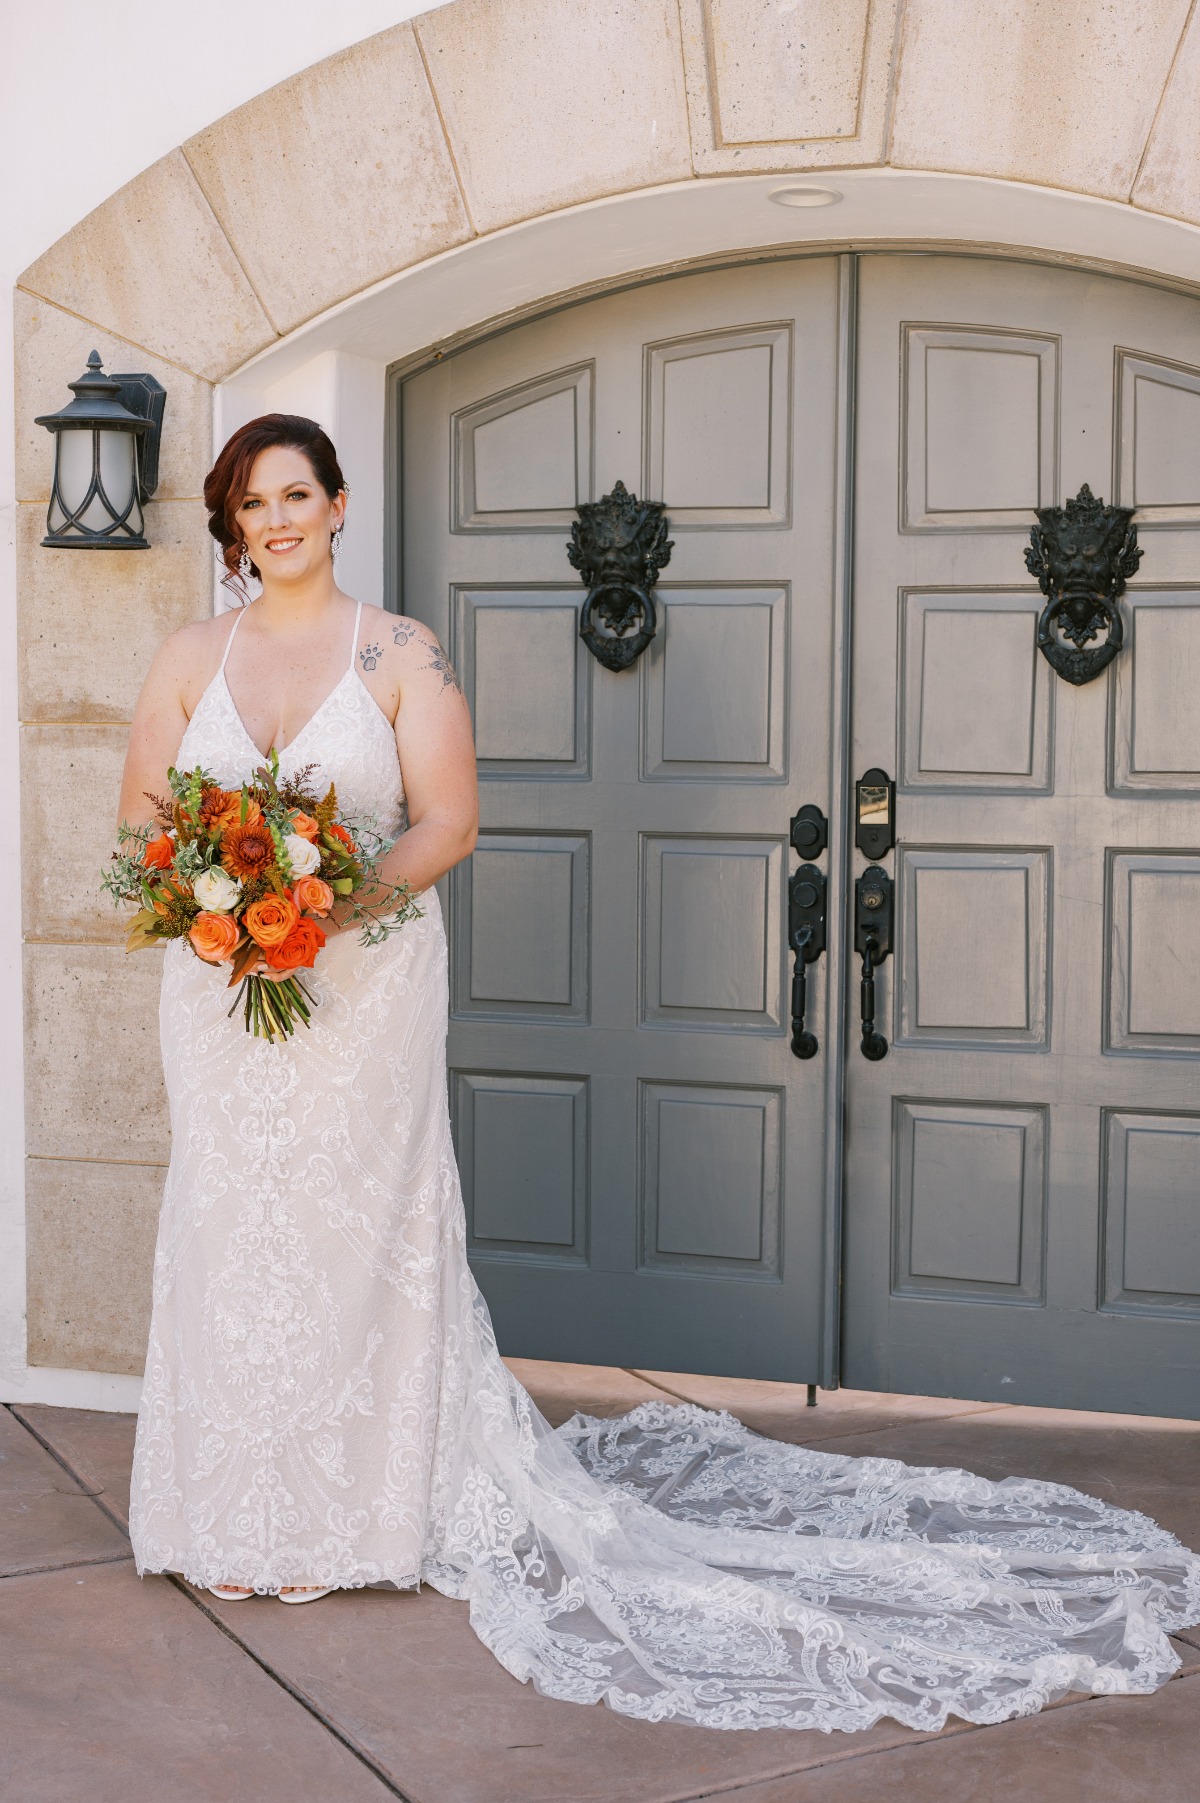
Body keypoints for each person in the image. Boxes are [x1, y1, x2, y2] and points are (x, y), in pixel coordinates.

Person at [120, 413, 1200, 1730]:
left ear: (339, 507)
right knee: (231, 1231)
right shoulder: (190, 656)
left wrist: (323, 908)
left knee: (354, 1232)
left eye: (296, 493)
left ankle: (351, 1520)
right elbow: (146, 823)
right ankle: (228, 1510)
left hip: (357, 988)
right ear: (231, 526)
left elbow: (449, 819)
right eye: (250, 502)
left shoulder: (401, 652)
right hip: (222, 992)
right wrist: (223, 908)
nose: (274, 519)